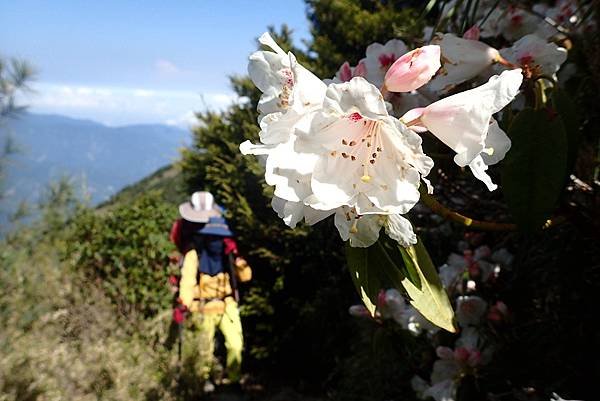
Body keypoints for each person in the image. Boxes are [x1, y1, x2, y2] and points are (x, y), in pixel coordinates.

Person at [174, 191, 251, 390]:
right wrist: (185, 302)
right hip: (203, 305)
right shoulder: (196, 251)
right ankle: (204, 381)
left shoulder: (226, 248)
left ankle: (232, 380)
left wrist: (239, 263)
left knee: (235, 344)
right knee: (204, 348)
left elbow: (245, 276)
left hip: (226, 303)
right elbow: (189, 279)